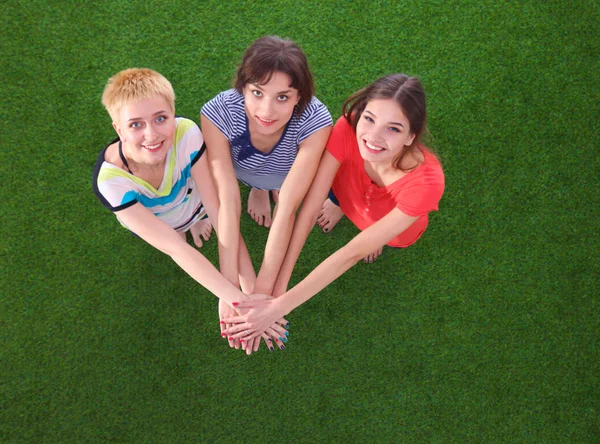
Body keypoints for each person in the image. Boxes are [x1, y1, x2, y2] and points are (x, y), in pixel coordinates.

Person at [221, 74, 445, 347]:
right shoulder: (347, 127)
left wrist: (278, 309)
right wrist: (273, 294)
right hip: (347, 194)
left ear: (411, 136)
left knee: (373, 241)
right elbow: (309, 209)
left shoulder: (427, 183)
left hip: (393, 225)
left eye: (393, 129)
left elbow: (351, 253)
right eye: (369, 119)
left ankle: (376, 237)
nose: (372, 137)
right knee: (330, 200)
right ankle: (344, 210)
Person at [92, 68, 287, 351]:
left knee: (203, 219)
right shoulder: (112, 182)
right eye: (136, 125)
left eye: (161, 118)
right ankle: (187, 225)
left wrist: (253, 291)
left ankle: (192, 223)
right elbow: (175, 249)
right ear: (118, 129)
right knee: (179, 242)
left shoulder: (187, 134)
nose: (151, 135)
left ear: (173, 115)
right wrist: (236, 300)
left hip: (195, 207)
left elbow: (219, 212)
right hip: (162, 225)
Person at [200, 36, 332, 352]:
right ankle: (260, 190)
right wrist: (230, 290)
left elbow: (288, 208)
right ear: (242, 88)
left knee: (282, 197)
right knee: (249, 190)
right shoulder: (218, 113)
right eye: (257, 93)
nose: (266, 110)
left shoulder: (315, 121)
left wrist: (262, 297)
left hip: (288, 178)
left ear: (299, 97)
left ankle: (266, 189)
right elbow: (228, 197)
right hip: (244, 174)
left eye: (283, 97)